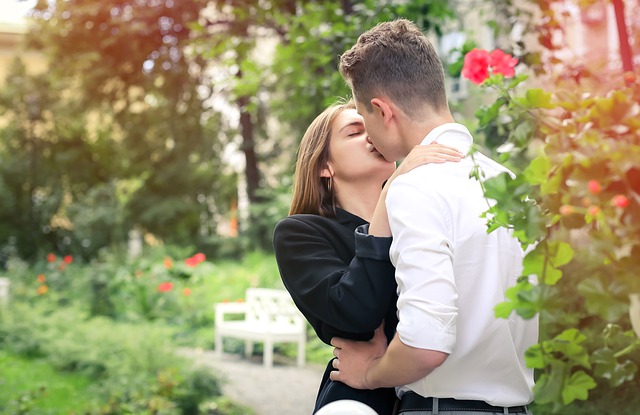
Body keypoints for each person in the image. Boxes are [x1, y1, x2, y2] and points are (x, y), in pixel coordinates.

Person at [329, 19, 538, 415]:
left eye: (363, 118)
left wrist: (369, 373)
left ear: (382, 110)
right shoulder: (509, 182)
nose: (369, 137)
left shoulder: (415, 185)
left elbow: (426, 344)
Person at [273, 99, 462, 414]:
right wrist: (388, 198)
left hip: (439, 398)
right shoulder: (299, 233)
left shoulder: (420, 221)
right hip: (360, 399)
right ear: (324, 166)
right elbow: (355, 317)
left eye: (371, 126)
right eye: (354, 131)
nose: (370, 136)